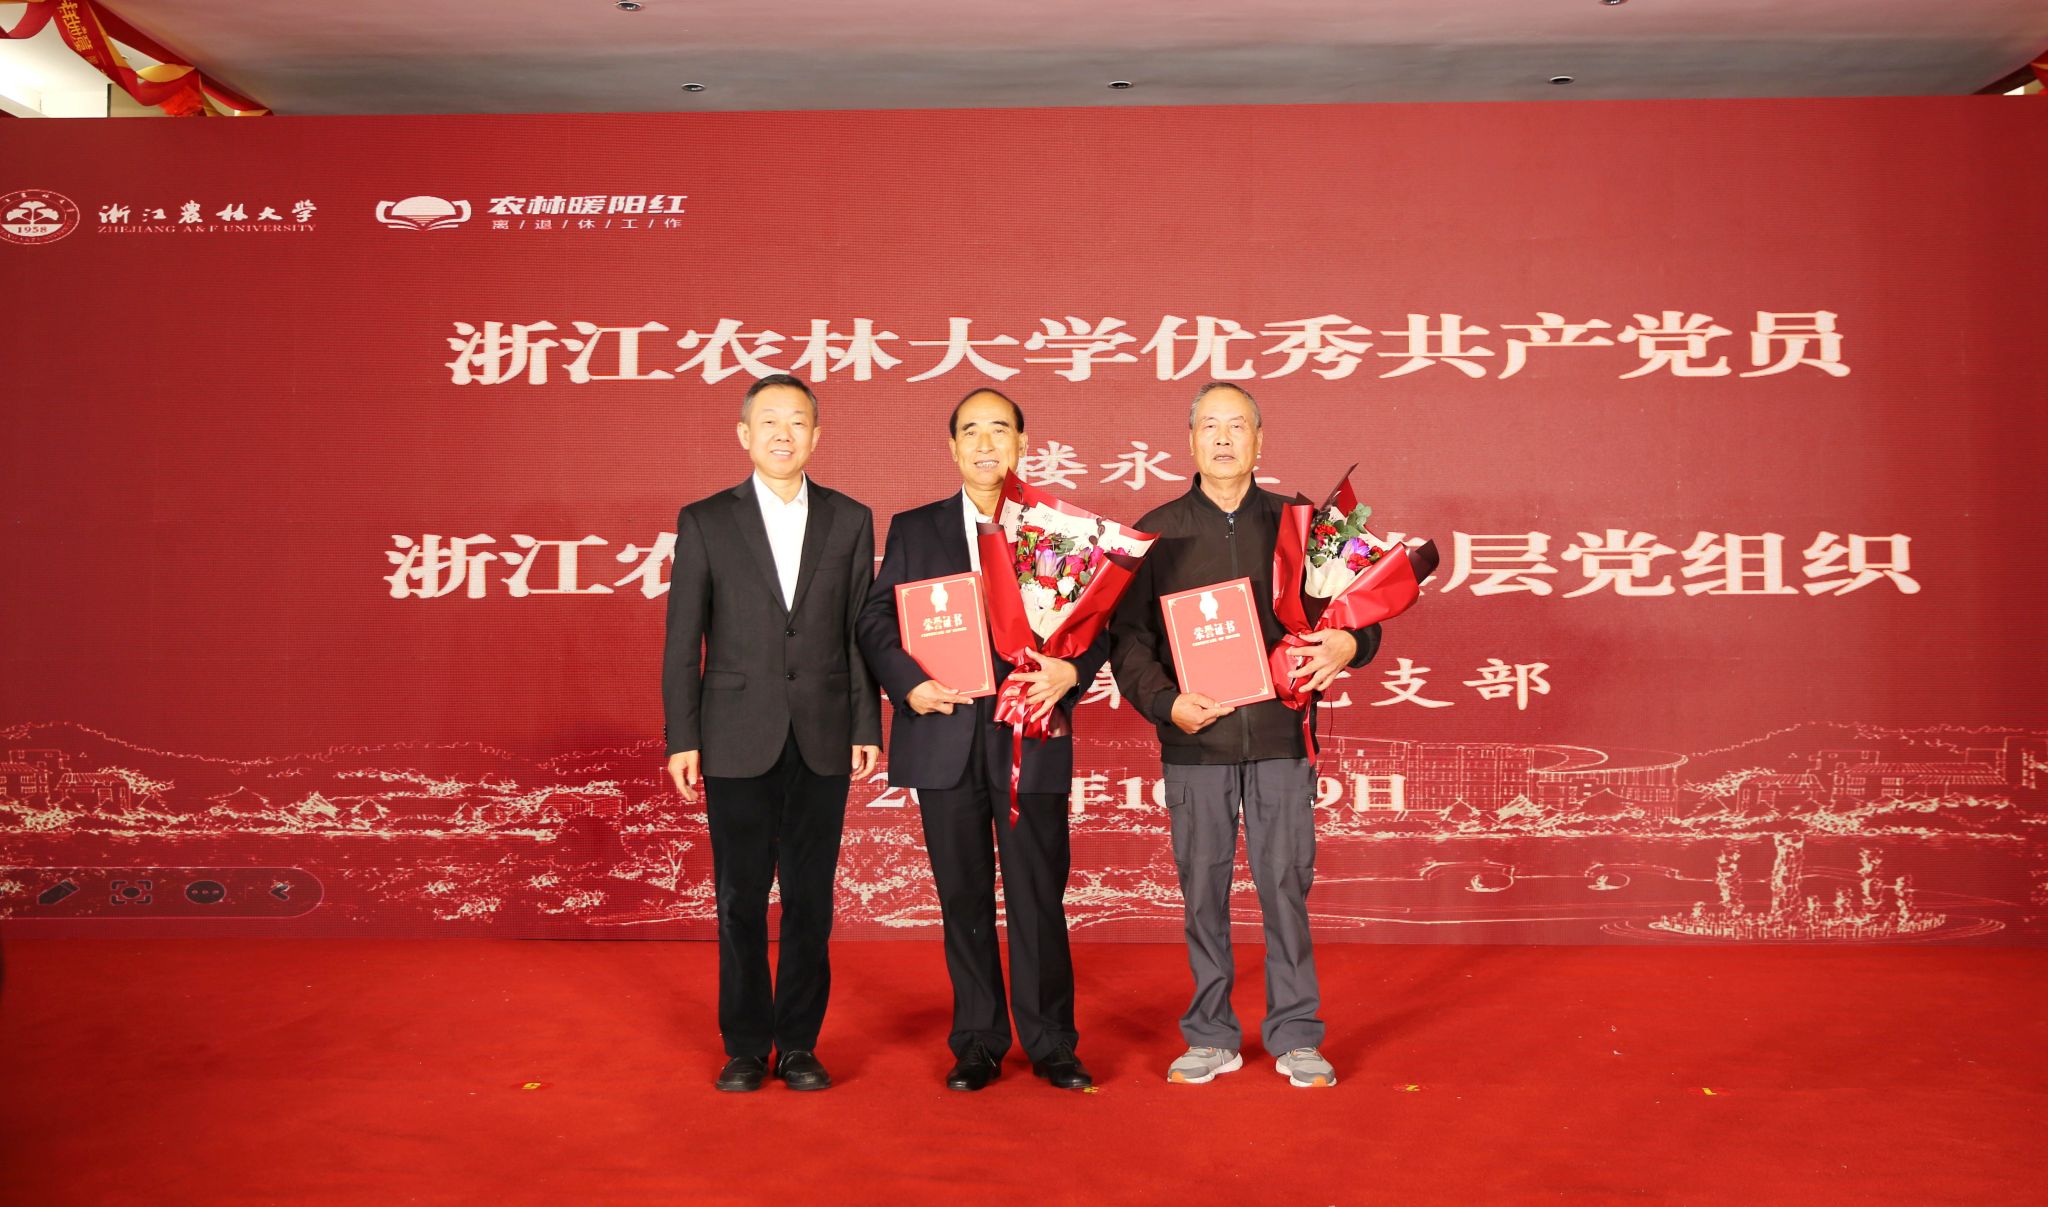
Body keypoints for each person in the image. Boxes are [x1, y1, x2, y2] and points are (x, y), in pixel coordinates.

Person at [1108, 382, 1382, 1089]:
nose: (1224, 438)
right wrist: (1167, 703)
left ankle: (1296, 1033)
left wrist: (1349, 645)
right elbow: (1128, 640)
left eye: (1238, 425)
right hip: (1196, 742)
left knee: (1285, 885)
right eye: (1210, 425)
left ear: (1261, 440)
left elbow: (1359, 609)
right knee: (1201, 889)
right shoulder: (1155, 532)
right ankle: (1210, 1033)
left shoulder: (1300, 523)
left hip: (1281, 739)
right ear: (1190, 440)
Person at [855, 388, 1108, 1092]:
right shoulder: (916, 528)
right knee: (962, 896)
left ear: (1023, 443)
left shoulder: (1057, 529)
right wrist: (909, 684)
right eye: (972, 431)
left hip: (1032, 734)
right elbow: (876, 619)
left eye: (1000, 429)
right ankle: (977, 1040)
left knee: (1037, 894)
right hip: (944, 732)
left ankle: (1052, 1041)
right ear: (953, 447)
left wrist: (1072, 671)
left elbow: (1098, 622)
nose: (986, 443)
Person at [663, 373, 881, 1093]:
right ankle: (744, 1044)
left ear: (816, 436)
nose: (783, 433)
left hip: (823, 732)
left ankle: (799, 1045)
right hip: (733, 734)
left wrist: (865, 722)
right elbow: (683, 638)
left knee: (811, 900)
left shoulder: (850, 518)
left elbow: (858, 632)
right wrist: (682, 736)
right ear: (744, 434)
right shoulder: (705, 520)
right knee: (740, 898)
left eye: (797, 421)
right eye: (769, 421)